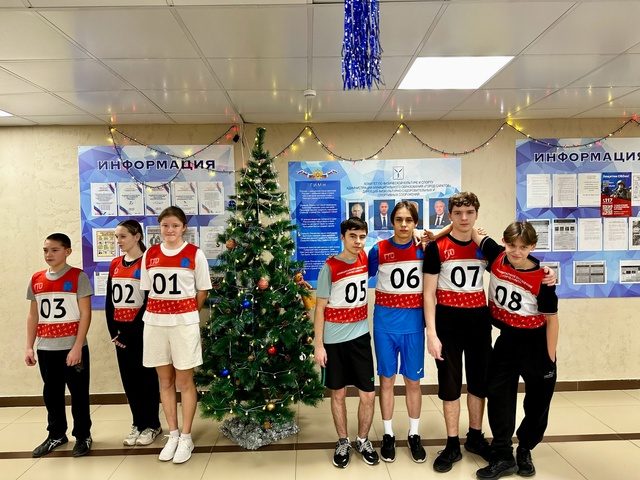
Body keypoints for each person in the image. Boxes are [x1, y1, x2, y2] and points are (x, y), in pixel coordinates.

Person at [473, 222, 559, 480]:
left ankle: (525, 448)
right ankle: (502, 453)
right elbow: (472, 230)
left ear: (532, 247)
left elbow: (552, 320)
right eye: (512, 245)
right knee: (498, 394)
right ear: (504, 242)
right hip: (507, 339)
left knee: (538, 402)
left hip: (536, 344)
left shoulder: (542, 278)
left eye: (523, 247)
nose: (517, 252)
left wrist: (549, 358)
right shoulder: (498, 256)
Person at [423, 192, 493, 473]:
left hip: (478, 322)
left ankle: (475, 436)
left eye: (469, 212)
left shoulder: (483, 246)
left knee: (478, 383)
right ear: (450, 216)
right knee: (450, 385)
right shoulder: (436, 248)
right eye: (458, 213)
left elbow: (510, 264)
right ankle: (452, 443)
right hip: (447, 323)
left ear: (476, 214)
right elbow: (428, 294)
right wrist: (431, 333)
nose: (464, 218)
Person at [140, 206, 212, 464]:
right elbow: (147, 289)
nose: (169, 230)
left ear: (184, 228)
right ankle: (172, 433)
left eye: (175, 225)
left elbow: (202, 290)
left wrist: (188, 312)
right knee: (165, 380)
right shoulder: (150, 254)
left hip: (183, 324)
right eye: (165, 226)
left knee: (184, 381)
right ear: (159, 227)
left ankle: (186, 436)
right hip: (155, 323)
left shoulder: (194, 254)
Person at [314, 217, 380, 469]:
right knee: (338, 393)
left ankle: (362, 440)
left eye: (362, 236)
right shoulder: (329, 267)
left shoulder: (365, 258)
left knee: (368, 394)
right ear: (342, 237)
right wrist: (318, 345)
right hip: (334, 340)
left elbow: (398, 243)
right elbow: (320, 309)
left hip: (360, 337)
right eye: (353, 236)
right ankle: (343, 441)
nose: (358, 241)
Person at [368, 200, 427, 463]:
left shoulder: (424, 248)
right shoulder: (378, 250)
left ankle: (414, 433)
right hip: (385, 325)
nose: (404, 225)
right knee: (387, 380)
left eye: (409, 220)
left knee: (413, 382)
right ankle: (389, 434)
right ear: (392, 222)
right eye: (399, 219)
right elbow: (358, 272)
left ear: (415, 223)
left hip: (413, 325)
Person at [25, 233, 93, 458]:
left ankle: (83, 435)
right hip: (46, 348)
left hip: (72, 348)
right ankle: (56, 434)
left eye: (54, 250)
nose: (49, 254)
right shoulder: (36, 279)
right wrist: (29, 346)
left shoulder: (78, 277)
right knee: (52, 394)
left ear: (67, 251)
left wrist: (77, 346)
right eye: (46, 250)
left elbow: (85, 314)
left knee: (79, 394)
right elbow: (33, 315)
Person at [106, 220, 162, 447]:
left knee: (146, 379)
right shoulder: (115, 264)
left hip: (142, 330)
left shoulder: (148, 262)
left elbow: (150, 300)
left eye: (123, 236)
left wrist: (130, 332)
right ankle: (137, 422)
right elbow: (109, 300)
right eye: (117, 237)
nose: (118, 241)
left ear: (137, 236)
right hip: (120, 332)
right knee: (129, 380)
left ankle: (152, 424)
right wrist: (114, 332)